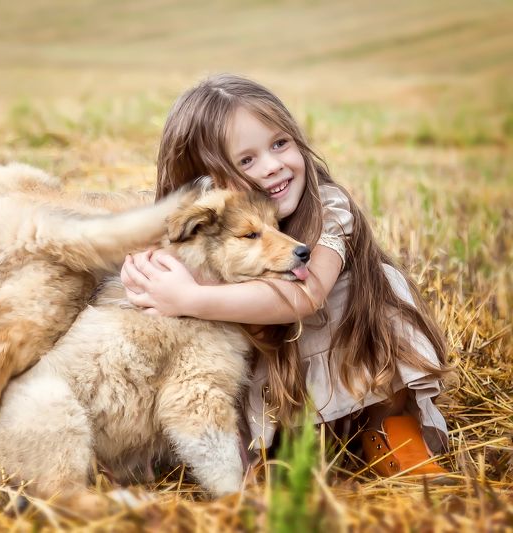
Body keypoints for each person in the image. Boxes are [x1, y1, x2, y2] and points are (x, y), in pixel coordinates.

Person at [121, 74, 450, 477]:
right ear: (208, 180)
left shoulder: (328, 207)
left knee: (379, 286)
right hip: (263, 391)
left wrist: (190, 299)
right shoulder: (200, 226)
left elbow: (306, 296)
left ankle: (388, 429)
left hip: (341, 367)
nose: (274, 166)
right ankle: (257, 458)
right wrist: (144, 276)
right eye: (246, 160)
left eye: (280, 143)